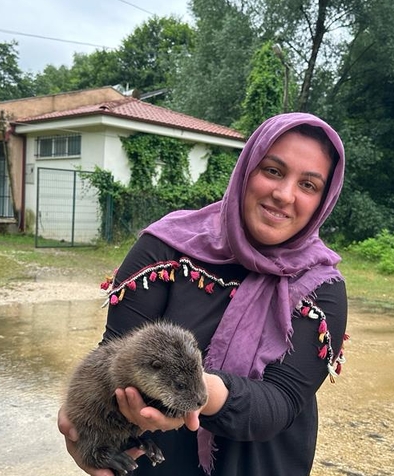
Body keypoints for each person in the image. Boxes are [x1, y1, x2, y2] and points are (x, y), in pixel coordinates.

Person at [58, 112, 349, 476]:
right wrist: (87, 431)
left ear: (324, 199)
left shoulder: (322, 286)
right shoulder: (164, 248)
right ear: (246, 170)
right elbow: (115, 353)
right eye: (273, 171)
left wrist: (202, 391)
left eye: (308, 185)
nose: (284, 194)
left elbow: (281, 403)